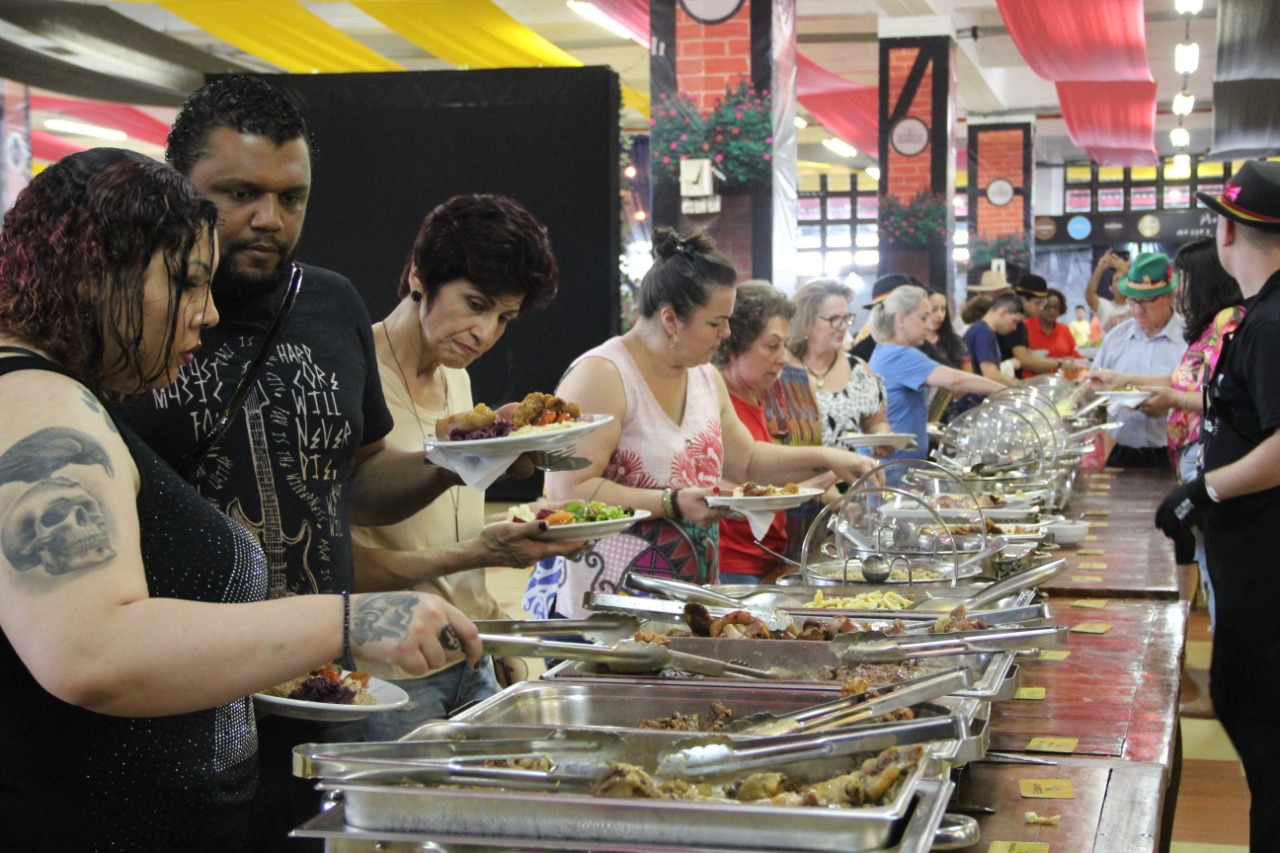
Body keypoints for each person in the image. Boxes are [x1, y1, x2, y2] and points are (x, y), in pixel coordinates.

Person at [0, 148, 480, 851]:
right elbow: (89, 650)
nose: (208, 312)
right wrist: (349, 619)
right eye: (189, 282)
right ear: (101, 271)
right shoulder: (38, 402)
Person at [113, 76, 531, 850]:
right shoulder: (127, 318)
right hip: (179, 708)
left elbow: (361, 485)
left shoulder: (331, 305)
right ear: (177, 184)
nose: (268, 219)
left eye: (291, 197)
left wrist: (457, 459)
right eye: (237, 192)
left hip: (331, 690)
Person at [543, 228, 881, 617]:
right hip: (610, 598)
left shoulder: (704, 376)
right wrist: (670, 502)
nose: (727, 333)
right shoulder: (601, 375)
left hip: (690, 595)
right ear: (670, 319)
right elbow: (566, 492)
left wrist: (829, 457)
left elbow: (748, 461)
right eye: (715, 322)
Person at [350, 194, 586, 738]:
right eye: (476, 304)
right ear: (419, 274)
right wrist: (478, 550)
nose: (486, 334)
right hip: (391, 670)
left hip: (472, 653)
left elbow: (433, 526)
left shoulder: (456, 376)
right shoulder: (354, 371)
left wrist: (497, 631)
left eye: (504, 317)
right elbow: (334, 558)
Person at [1155, 159, 1280, 851]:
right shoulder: (1260, 316)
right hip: (1251, 563)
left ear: (1229, 234)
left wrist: (1207, 487)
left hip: (1268, 569)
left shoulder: (1271, 321)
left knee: (1262, 729)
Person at [713, 282, 842, 582]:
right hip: (733, 562)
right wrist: (819, 472)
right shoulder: (716, 401)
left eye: (785, 345)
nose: (784, 357)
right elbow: (739, 478)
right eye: (772, 346)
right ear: (734, 346)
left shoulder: (756, 395)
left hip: (767, 556)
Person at [867, 285, 1005, 461]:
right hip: (892, 466)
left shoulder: (886, 350)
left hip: (897, 462)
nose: (929, 325)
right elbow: (957, 381)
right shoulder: (901, 355)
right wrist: (1009, 391)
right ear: (901, 320)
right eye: (923, 318)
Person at [1086, 252, 1188, 468]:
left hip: (1175, 455)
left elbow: (1197, 391)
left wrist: (1168, 405)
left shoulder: (1190, 339)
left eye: (1148, 302)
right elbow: (1094, 389)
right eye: (1132, 301)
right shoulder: (1116, 338)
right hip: (1122, 453)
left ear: (1170, 296)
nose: (1138, 310)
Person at [787, 277, 893, 449]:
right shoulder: (779, 366)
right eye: (834, 319)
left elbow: (876, 422)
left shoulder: (858, 370)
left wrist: (882, 438)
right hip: (787, 474)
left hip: (843, 475)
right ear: (805, 321)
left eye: (846, 318)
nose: (843, 327)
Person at [996, 274, 1071, 375]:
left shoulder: (1021, 324)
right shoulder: (1013, 323)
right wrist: (1059, 364)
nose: (1040, 308)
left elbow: (1026, 354)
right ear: (1023, 300)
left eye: (1042, 304)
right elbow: (1023, 359)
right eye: (1037, 303)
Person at [962, 292, 1024, 388]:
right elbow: (991, 375)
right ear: (1003, 312)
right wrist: (1017, 388)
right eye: (1014, 321)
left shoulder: (984, 331)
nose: (1014, 328)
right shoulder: (983, 332)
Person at [1023, 288, 1083, 376]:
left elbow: (1075, 357)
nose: (1052, 311)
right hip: (1030, 382)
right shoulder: (1026, 327)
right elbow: (1022, 359)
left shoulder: (1064, 329)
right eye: (1047, 306)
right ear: (1039, 306)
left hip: (1061, 382)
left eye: (1056, 307)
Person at [1086, 249, 1132, 333]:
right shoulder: (1105, 306)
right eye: (1117, 280)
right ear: (1111, 287)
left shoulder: (1136, 307)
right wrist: (1099, 268)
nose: (1120, 283)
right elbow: (1089, 295)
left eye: (1124, 279)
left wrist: (1126, 270)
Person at [926, 287, 969, 371]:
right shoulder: (913, 342)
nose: (940, 315)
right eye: (934, 310)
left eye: (943, 309)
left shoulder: (954, 341)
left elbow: (969, 374)